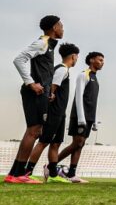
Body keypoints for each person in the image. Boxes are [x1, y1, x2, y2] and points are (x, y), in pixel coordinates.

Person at [6, 15, 63, 184]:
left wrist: (48, 91)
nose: (62, 28)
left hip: (41, 93)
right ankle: (18, 175)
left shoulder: (49, 45)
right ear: (54, 27)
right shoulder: (42, 42)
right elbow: (19, 59)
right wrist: (31, 83)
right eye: (60, 25)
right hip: (34, 93)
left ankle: (15, 174)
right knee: (34, 131)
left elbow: (43, 70)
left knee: (34, 130)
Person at [27, 43, 79, 183]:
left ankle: (53, 175)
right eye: (77, 57)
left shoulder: (64, 70)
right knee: (43, 142)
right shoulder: (62, 69)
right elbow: (53, 87)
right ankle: (27, 172)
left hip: (60, 113)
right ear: (73, 56)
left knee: (55, 144)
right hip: (54, 112)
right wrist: (52, 94)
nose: (77, 59)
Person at [56, 51, 104, 183]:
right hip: (79, 116)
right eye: (100, 60)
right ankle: (51, 165)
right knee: (76, 142)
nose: (102, 63)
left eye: (103, 60)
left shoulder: (96, 79)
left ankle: (72, 174)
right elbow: (78, 96)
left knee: (80, 144)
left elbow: (94, 101)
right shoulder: (84, 75)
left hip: (88, 117)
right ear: (91, 60)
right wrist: (81, 118)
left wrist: (94, 120)